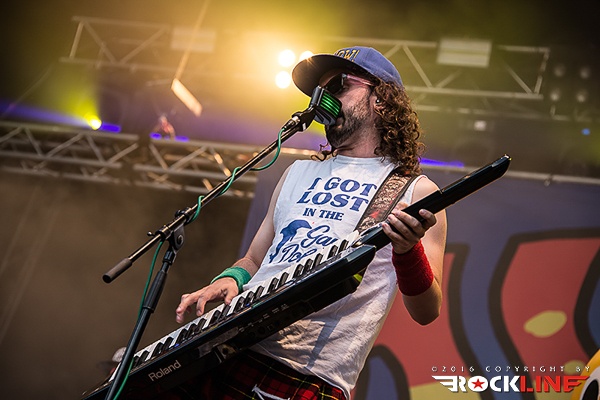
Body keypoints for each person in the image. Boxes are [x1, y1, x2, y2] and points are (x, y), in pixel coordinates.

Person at [171, 46, 447, 400]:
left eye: (338, 87)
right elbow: (254, 259)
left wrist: (408, 251)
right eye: (319, 91)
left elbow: (427, 310)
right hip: (232, 346)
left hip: (305, 374)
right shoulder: (298, 172)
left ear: (382, 98)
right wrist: (230, 278)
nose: (323, 100)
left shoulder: (414, 190)